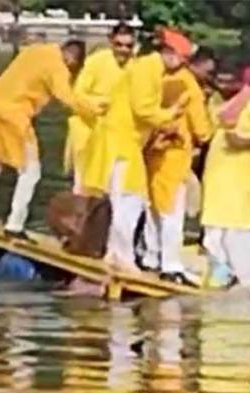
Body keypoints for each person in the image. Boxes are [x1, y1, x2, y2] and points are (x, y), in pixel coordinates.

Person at [0, 40, 99, 240]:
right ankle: (15, 225)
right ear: (72, 59)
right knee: (31, 171)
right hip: (14, 115)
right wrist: (96, 113)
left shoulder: (35, 50)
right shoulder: (57, 65)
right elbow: (67, 97)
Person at [80, 27, 193, 273]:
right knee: (130, 201)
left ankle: (114, 253)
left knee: (124, 200)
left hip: (123, 141)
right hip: (121, 142)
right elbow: (143, 109)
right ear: (169, 53)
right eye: (182, 59)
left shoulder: (147, 67)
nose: (183, 65)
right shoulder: (148, 69)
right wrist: (171, 115)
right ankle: (124, 257)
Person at [200, 65, 250, 288]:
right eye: (220, 80)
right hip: (216, 177)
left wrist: (247, 141)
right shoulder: (215, 100)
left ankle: (242, 289)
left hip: (242, 179)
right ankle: (217, 288)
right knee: (213, 237)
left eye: (229, 81)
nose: (224, 86)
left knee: (239, 238)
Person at [140, 47, 216, 285]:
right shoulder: (189, 87)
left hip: (152, 151)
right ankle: (170, 265)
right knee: (172, 213)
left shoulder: (161, 77)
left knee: (153, 207)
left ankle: (150, 257)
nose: (209, 75)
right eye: (208, 70)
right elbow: (202, 131)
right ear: (198, 64)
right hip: (175, 155)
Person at [64, 23, 136, 195]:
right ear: (111, 42)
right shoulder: (96, 62)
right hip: (89, 131)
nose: (124, 50)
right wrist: (99, 104)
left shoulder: (136, 65)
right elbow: (77, 95)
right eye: (119, 45)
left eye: (128, 46)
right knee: (85, 187)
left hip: (118, 136)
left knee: (116, 188)